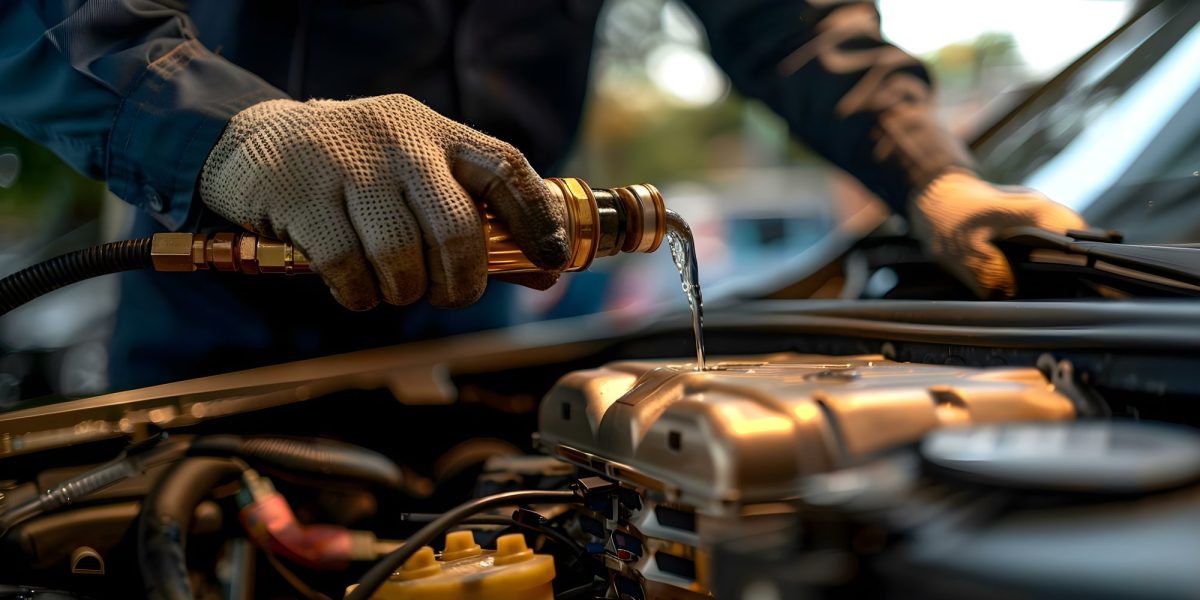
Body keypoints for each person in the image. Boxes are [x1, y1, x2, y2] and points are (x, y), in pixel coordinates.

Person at [0, 1, 1084, 390]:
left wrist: (934, 173)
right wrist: (229, 133)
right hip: (216, 348)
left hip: (480, 348)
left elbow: (790, 19)